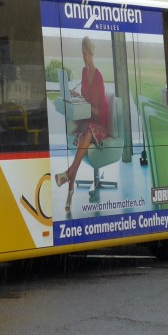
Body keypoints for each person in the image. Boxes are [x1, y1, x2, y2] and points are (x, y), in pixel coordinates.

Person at [55, 36, 110, 216]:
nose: (83, 57)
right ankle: (69, 182)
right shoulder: (84, 73)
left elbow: (102, 112)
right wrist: (76, 95)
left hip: (99, 125)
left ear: (91, 54)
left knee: (86, 134)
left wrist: (89, 107)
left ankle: (69, 179)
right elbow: (85, 95)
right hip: (88, 122)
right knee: (84, 136)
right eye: (82, 54)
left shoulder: (99, 77)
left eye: (85, 54)